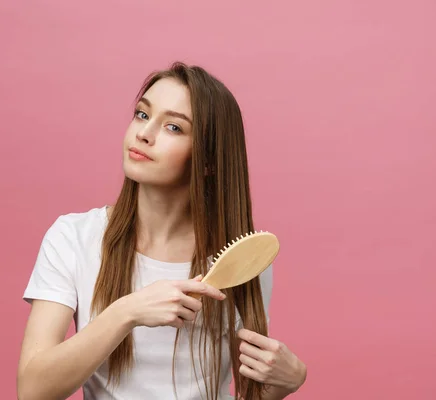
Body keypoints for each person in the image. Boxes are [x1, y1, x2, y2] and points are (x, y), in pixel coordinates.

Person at [17, 62, 307, 400]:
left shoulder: (241, 259)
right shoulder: (73, 238)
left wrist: (284, 385)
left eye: (172, 127)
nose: (143, 134)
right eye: (142, 114)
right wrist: (128, 311)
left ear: (208, 160)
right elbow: (33, 390)